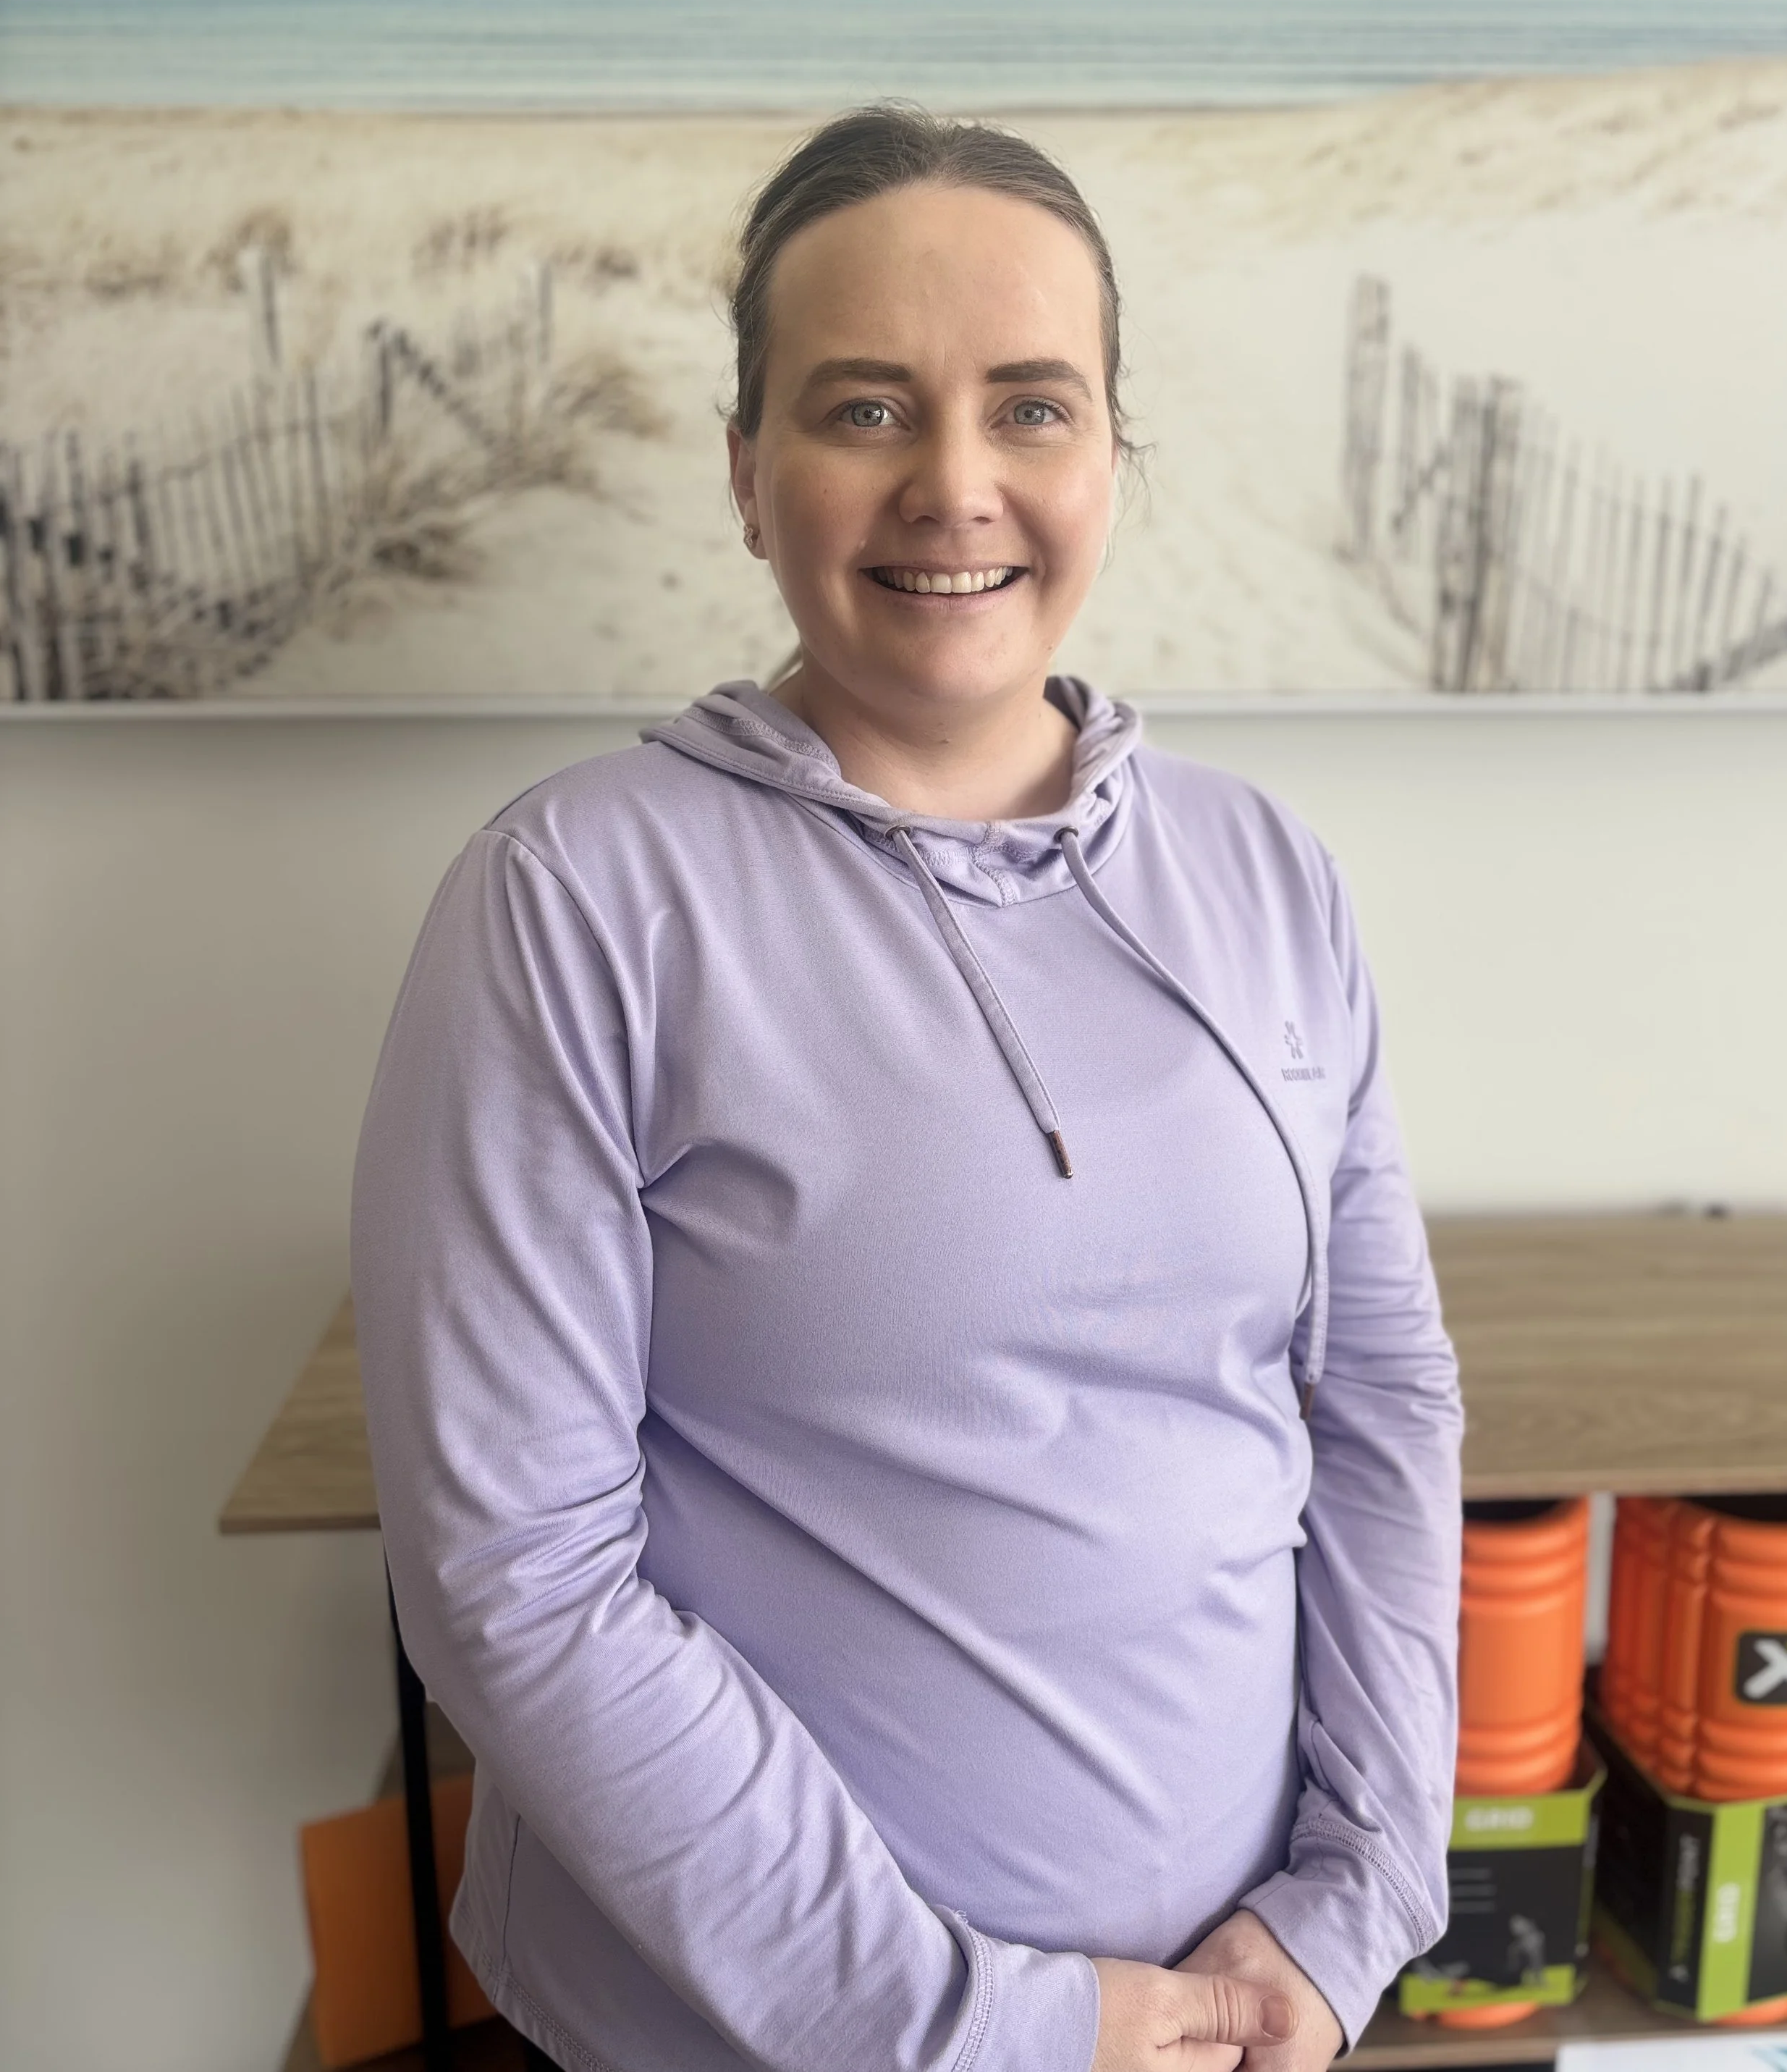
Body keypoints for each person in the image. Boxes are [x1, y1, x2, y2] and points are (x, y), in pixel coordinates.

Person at [352, 105, 1464, 2072]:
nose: (954, 484)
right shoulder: (576, 897)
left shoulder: (1268, 874)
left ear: (1112, 453)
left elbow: (1374, 1402)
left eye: (1030, 407)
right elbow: (510, 1576)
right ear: (743, 472)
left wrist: (1351, 1899)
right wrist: (971, 2025)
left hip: (1229, 2013)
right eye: (863, 407)